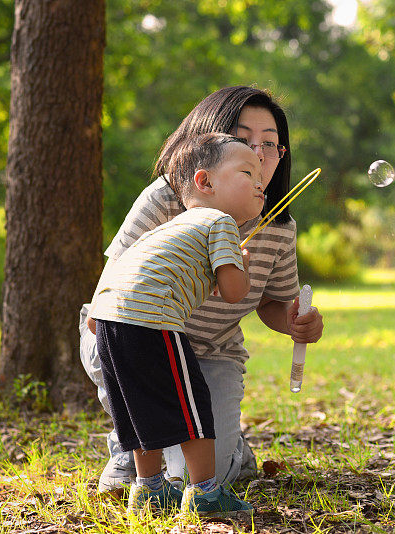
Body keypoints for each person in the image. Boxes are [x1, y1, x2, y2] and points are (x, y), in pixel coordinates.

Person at [79, 86, 324, 495]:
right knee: (173, 460)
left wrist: (296, 322)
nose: (259, 153)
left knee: (206, 474)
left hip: (209, 352)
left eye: (270, 144)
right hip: (130, 336)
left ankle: (226, 450)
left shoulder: (279, 227)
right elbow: (116, 275)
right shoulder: (166, 199)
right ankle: (131, 443)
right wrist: (104, 332)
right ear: (209, 150)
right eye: (244, 139)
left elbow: (272, 302)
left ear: (282, 156)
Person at [88, 133, 263, 516]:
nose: (259, 182)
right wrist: (242, 267)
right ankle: (205, 493)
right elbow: (234, 292)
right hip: (152, 321)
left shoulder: (175, 226)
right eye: (248, 172)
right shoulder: (220, 222)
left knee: (139, 407)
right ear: (205, 182)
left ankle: (148, 488)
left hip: (107, 317)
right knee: (193, 407)